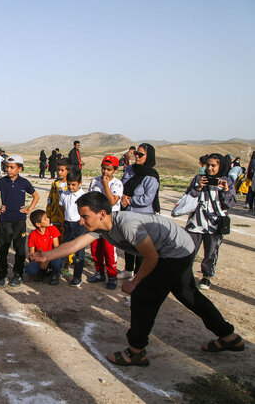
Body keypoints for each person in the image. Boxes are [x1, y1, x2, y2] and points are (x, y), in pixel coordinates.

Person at [30, 192, 245, 367]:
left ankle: (136, 352)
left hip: (175, 252)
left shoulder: (127, 225)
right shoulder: (101, 228)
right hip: (173, 249)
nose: (81, 221)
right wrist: (46, 256)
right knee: (188, 295)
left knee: (144, 298)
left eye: (85, 216)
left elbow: (151, 258)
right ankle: (228, 337)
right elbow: (76, 244)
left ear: (103, 213)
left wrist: (135, 281)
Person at [0, 154, 39, 287]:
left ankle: (17, 274)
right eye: (7, 167)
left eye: (12, 167)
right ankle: (2, 275)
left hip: (19, 221)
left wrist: (28, 210)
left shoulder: (24, 183)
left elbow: (36, 196)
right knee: (3, 249)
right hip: (5, 221)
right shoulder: (2, 181)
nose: (8, 170)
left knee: (20, 249)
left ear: (19, 168)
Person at [185, 153, 236, 290]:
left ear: (220, 166)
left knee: (211, 252)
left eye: (213, 165)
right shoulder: (198, 178)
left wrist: (225, 190)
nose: (210, 168)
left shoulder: (227, 181)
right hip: (196, 222)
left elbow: (230, 204)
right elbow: (188, 196)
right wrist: (198, 187)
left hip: (215, 224)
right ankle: (185, 275)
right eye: (208, 165)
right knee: (188, 250)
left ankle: (206, 276)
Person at [118, 143, 159, 279]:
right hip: (127, 212)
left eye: (141, 155)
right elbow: (122, 184)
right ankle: (128, 269)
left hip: (143, 215)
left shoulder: (151, 176)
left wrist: (130, 200)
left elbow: (147, 198)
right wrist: (122, 196)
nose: (137, 157)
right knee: (128, 242)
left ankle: (138, 274)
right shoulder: (130, 169)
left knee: (141, 246)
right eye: (136, 153)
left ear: (149, 157)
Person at [87, 156, 123, 289]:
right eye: (103, 168)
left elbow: (112, 201)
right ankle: (99, 272)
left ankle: (112, 275)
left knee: (109, 249)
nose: (105, 172)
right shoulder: (94, 180)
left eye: (109, 169)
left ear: (115, 170)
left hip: (109, 222)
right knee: (96, 248)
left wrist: (105, 185)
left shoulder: (117, 184)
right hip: (96, 221)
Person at [45, 158, 74, 273]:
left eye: (62, 170)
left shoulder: (71, 185)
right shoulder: (55, 183)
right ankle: (54, 264)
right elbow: (50, 199)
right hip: (54, 219)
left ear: (68, 171)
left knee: (66, 243)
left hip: (66, 219)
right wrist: (48, 214)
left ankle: (66, 265)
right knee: (54, 243)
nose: (59, 173)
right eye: (58, 170)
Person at [59, 170, 86, 287]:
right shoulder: (64, 193)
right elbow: (62, 207)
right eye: (69, 184)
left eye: (73, 184)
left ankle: (77, 277)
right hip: (67, 224)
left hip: (79, 225)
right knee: (64, 248)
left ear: (80, 183)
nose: (71, 187)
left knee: (79, 253)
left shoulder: (83, 196)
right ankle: (58, 271)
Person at [24, 209, 64, 285]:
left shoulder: (53, 229)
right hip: (40, 258)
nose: (48, 219)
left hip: (52, 256)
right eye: (45, 218)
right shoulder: (33, 235)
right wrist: (37, 262)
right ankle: (42, 271)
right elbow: (31, 254)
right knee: (30, 270)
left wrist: (47, 259)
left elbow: (57, 248)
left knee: (58, 262)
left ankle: (55, 274)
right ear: (38, 224)